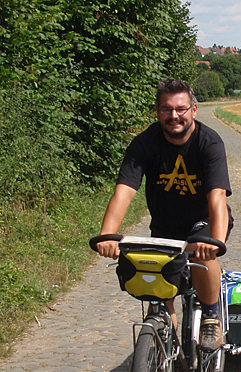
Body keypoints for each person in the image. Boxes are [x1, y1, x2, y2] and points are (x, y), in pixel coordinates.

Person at [96, 78, 233, 352]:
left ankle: (210, 317)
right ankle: (163, 351)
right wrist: (107, 235)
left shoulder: (209, 143)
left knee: (201, 254)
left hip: (202, 219)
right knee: (158, 287)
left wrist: (216, 243)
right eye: (166, 109)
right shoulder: (144, 143)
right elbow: (124, 191)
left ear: (194, 110)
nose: (174, 116)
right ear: (157, 111)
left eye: (181, 109)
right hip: (165, 225)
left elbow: (216, 196)